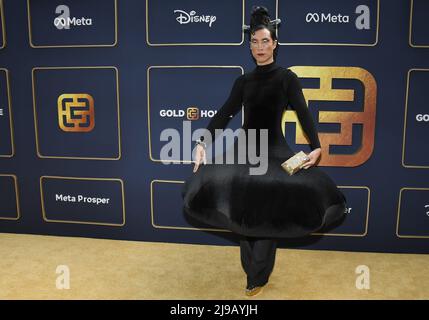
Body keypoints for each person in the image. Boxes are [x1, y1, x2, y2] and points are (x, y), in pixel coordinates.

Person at [181, 6, 347, 297]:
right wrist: (201, 143)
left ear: (275, 44)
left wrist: (317, 146)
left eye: (265, 41)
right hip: (244, 151)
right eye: (255, 42)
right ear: (250, 46)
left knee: (269, 212)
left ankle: (257, 274)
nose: (260, 47)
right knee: (243, 213)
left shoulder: (286, 78)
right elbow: (224, 114)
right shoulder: (243, 81)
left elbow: (303, 113)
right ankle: (253, 271)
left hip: (275, 151)